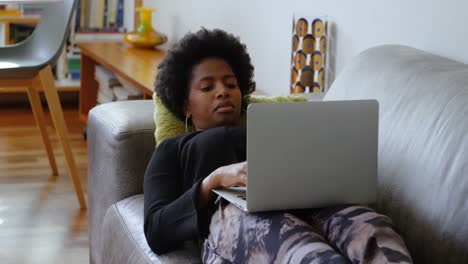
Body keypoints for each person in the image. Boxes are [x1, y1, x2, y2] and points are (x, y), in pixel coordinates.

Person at [144, 28, 413, 263]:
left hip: (312, 206)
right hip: (234, 217)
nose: (223, 91)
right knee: (306, 252)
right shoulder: (171, 150)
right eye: (207, 87)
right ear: (185, 105)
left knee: (374, 231)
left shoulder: (271, 129)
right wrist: (212, 181)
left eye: (230, 84)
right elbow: (156, 230)